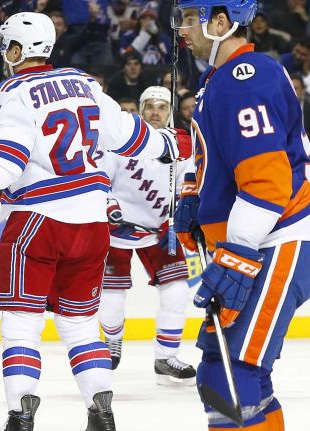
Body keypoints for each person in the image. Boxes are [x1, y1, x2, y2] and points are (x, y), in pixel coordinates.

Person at [0, 12, 191, 431]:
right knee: (81, 325)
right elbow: (130, 135)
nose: (4, 54)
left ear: (17, 49)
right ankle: (101, 412)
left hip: (36, 222)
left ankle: (21, 414)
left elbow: (7, 158)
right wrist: (170, 142)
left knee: (21, 325)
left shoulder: (8, 93)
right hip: (92, 224)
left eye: (7, 46)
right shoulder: (84, 83)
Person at [173, 0, 310, 429]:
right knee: (231, 375)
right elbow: (221, 158)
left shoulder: (242, 80)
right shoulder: (223, 78)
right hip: (269, 241)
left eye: (190, 19)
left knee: (231, 379)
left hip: (279, 240)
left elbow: (266, 181)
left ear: (222, 22)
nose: (182, 30)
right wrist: (197, 194)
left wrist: (238, 252)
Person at [97, 85, 196, 385]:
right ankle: (112, 342)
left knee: (177, 290)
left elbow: (187, 185)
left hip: (160, 231)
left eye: (162, 107)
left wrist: (180, 216)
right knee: (112, 294)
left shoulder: (180, 145)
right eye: (149, 106)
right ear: (140, 110)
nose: (155, 111)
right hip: (118, 230)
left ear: (170, 112)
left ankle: (165, 357)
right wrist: (110, 207)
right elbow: (100, 179)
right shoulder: (121, 140)